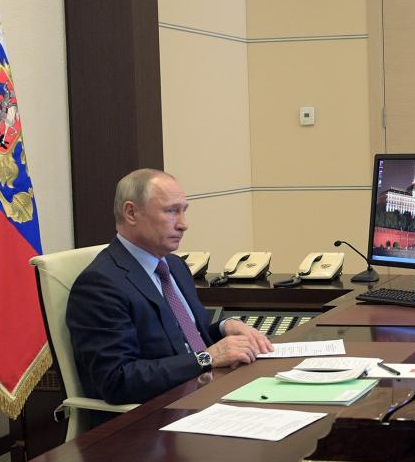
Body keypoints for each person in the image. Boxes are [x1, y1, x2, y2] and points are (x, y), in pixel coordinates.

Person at [66, 169, 272, 416]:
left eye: (184, 211)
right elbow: (117, 380)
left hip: (204, 395)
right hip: (155, 416)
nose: (184, 224)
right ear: (131, 213)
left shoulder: (174, 266)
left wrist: (223, 328)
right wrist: (207, 358)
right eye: (171, 211)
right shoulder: (100, 284)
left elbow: (183, 341)